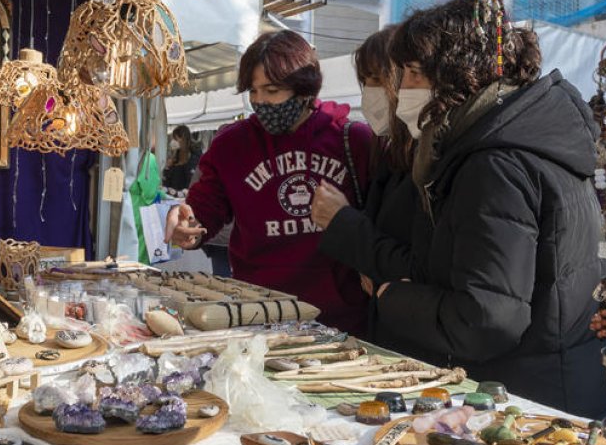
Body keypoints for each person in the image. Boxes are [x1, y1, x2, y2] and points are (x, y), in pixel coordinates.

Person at [373, 0, 606, 417]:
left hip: (528, 406)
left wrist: (394, 297)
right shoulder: (527, 142)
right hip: (552, 386)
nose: (401, 89)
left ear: (456, 76)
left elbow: (487, 319)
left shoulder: (494, 164)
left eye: (413, 73)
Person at [164, 30, 373, 332]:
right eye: (253, 91)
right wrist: (190, 225)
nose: (261, 102)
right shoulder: (231, 145)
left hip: (339, 319)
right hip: (257, 314)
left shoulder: (352, 141)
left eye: (272, 91)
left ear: (305, 89)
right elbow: (206, 206)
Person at [310, 26, 418, 346]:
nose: (369, 93)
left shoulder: (429, 164)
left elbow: (416, 262)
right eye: (365, 81)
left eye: (376, 80)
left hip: (412, 337)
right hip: (385, 327)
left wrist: (342, 220)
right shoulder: (387, 153)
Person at [162, 125, 201, 192]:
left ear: (183, 138)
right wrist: (167, 168)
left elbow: (193, 178)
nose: (173, 141)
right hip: (173, 196)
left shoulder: (195, 156)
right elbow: (166, 181)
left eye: (175, 138)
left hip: (189, 196)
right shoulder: (175, 156)